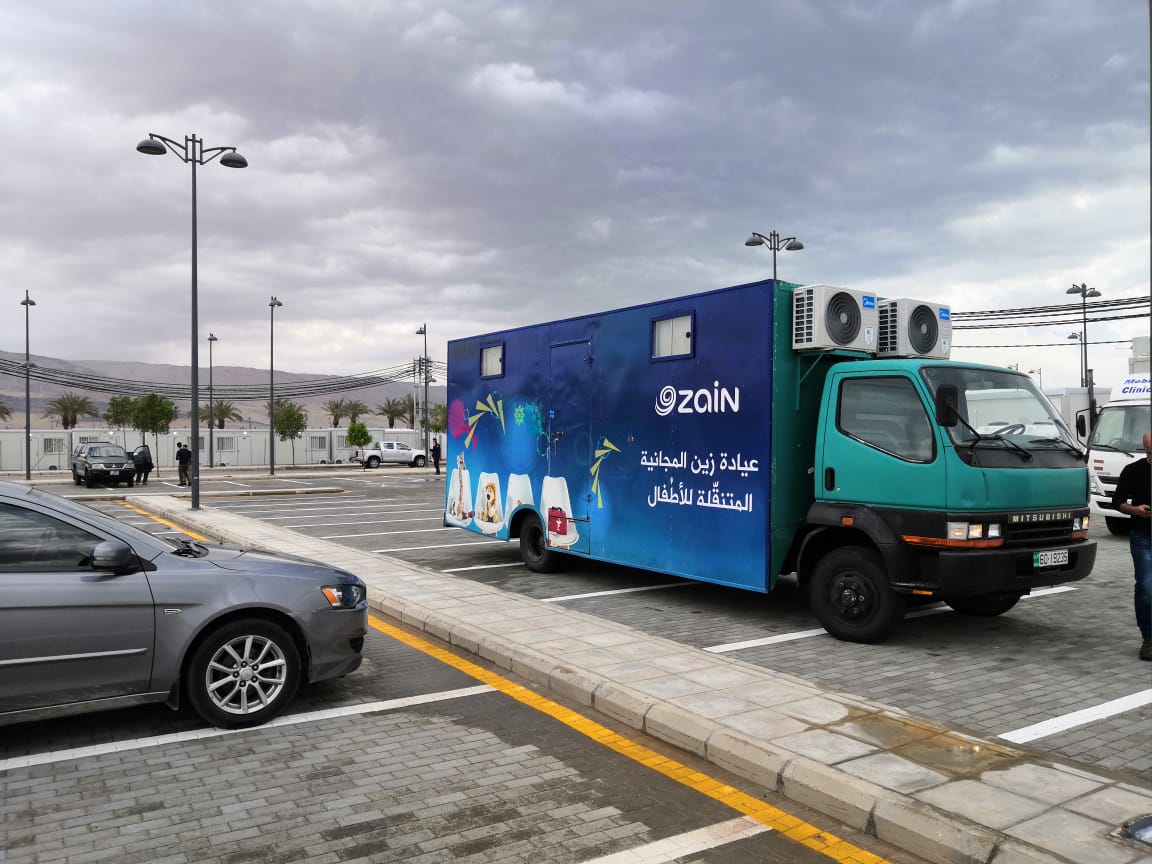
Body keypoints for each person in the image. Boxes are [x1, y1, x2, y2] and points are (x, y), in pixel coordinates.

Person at [1112, 431, 1152, 661]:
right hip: (1142, 537)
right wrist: (1135, 510)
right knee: (1146, 586)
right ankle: (1148, 638)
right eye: (1149, 452)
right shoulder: (1133, 470)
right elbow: (1117, 502)